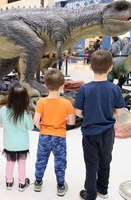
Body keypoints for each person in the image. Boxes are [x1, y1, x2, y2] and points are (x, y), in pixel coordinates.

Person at [74, 49, 125, 200]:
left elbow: (78, 112)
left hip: (90, 133)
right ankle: (103, 189)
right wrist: (109, 113)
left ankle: (90, 194)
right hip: (108, 132)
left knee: (91, 165)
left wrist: (88, 114)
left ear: (90, 66)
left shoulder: (85, 88)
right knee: (105, 161)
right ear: (110, 67)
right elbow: (120, 110)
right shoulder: (114, 88)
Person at [33, 68, 75, 197]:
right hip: (59, 137)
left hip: (44, 136)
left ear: (45, 85)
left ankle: (38, 182)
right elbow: (72, 122)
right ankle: (61, 186)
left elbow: (35, 120)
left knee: (41, 159)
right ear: (62, 86)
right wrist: (65, 119)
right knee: (60, 161)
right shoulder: (66, 103)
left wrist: (42, 127)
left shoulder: (41, 102)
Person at [0, 84, 34, 191]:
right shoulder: (26, 113)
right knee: (22, 163)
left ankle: (9, 182)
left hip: (9, 143)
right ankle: (22, 183)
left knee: (9, 163)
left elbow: (1, 122)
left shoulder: (3, 110)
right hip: (22, 144)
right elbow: (31, 127)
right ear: (25, 99)